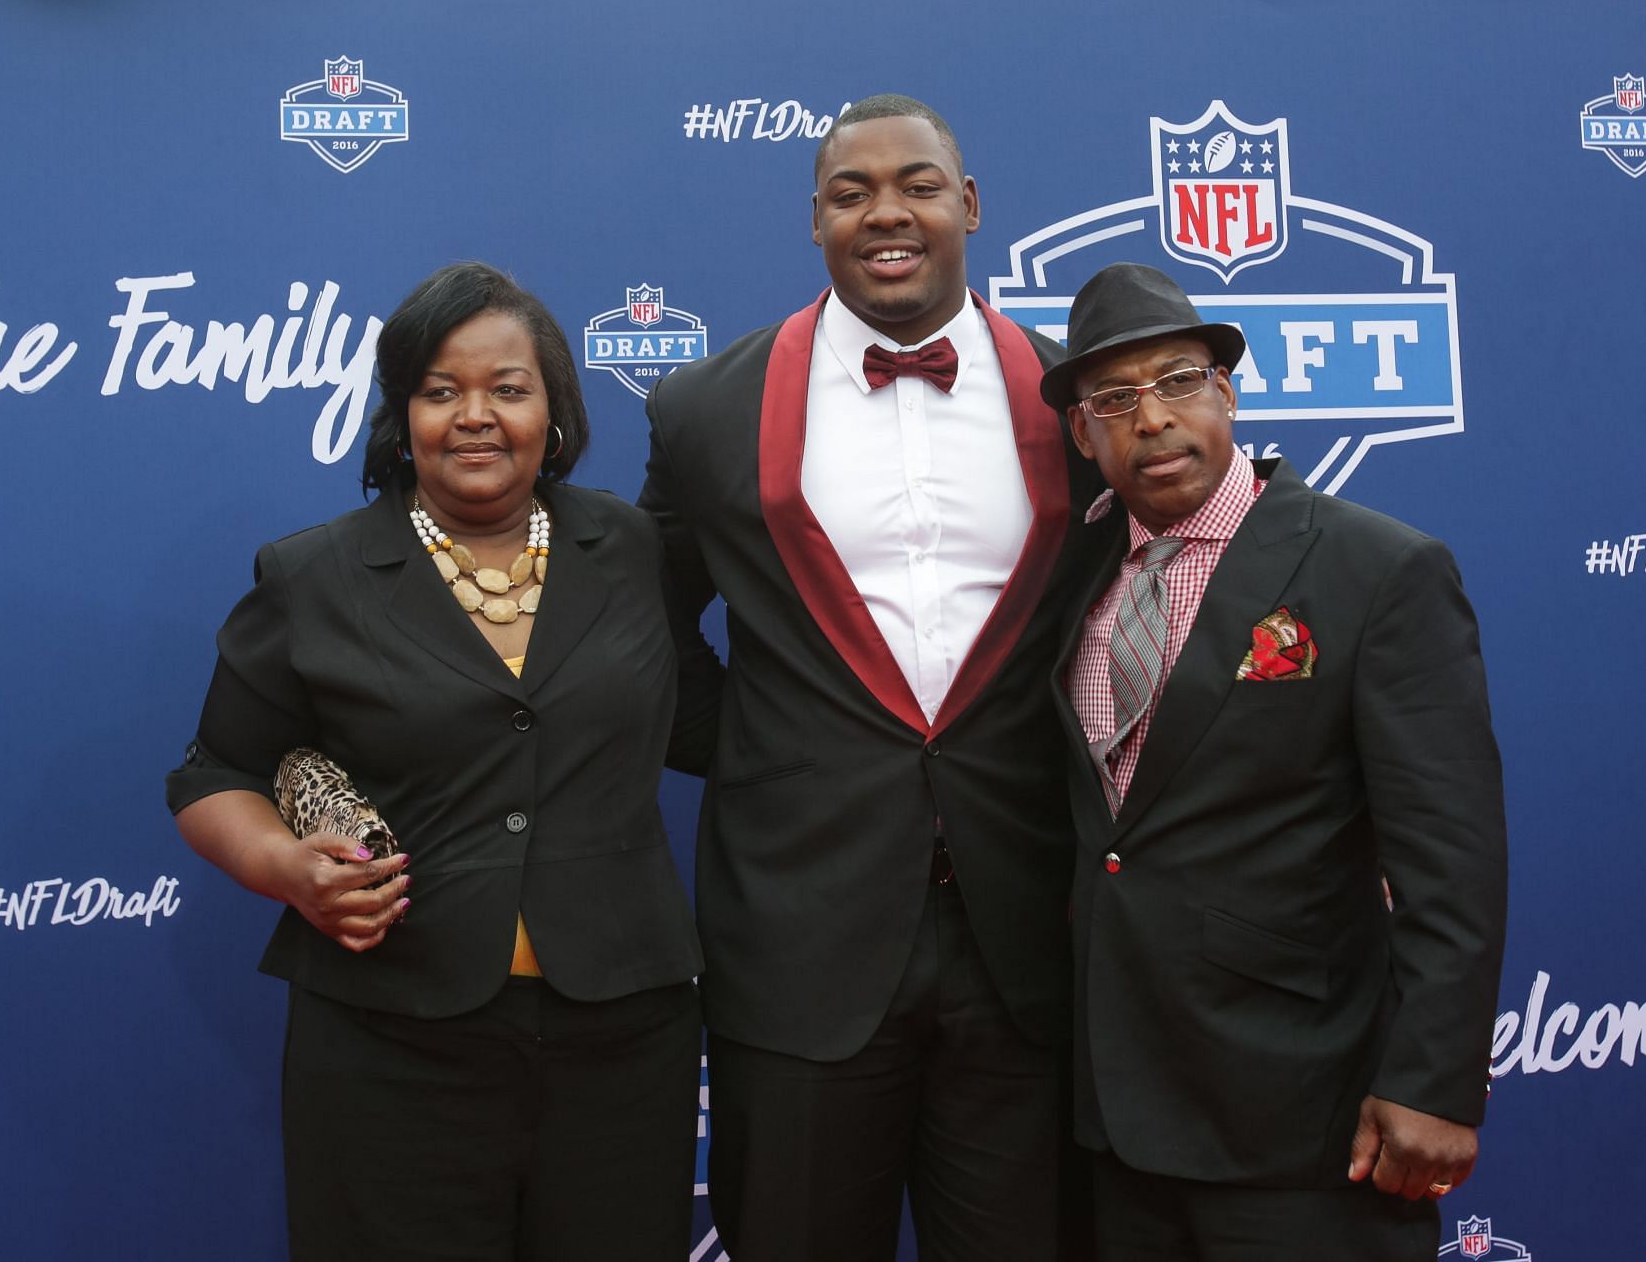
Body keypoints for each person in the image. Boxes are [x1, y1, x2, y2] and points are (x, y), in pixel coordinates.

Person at [639, 94, 1103, 1260]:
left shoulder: (1080, 400)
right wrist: (761, 746)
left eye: (919, 185)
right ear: (814, 220)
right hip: (797, 939)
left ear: (971, 204)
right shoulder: (705, 407)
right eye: (852, 193)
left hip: (1026, 940)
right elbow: (643, 627)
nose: (886, 213)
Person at [167, 262, 704, 1261]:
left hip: (625, 1041)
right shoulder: (313, 574)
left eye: (509, 387)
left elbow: (715, 710)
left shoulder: (631, 548)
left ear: (555, 408)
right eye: (440, 389)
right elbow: (213, 775)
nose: (476, 415)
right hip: (387, 1040)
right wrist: (290, 871)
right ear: (401, 410)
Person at [1039, 262, 1508, 1260]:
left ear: (1229, 392)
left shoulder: (1376, 568)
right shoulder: (1072, 582)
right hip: (1115, 1121)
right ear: (1083, 435)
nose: (1151, 419)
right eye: (1115, 401)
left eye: (1177, 382)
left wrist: (1434, 1080)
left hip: (1305, 1115)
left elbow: (1451, 851)